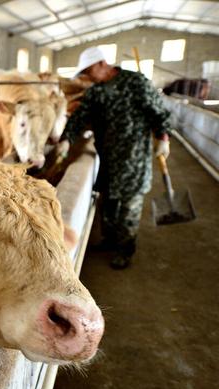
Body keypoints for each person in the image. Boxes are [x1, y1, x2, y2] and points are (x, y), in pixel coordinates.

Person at [59, 46, 171, 269]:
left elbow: (158, 111)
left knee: (129, 207)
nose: (87, 77)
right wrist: (66, 138)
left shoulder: (136, 82)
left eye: (89, 71)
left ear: (102, 64)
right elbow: (80, 117)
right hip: (107, 158)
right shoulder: (95, 91)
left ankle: (124, 250)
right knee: (108, 203)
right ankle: (109, 240)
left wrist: (163, 137)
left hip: (133, 159)